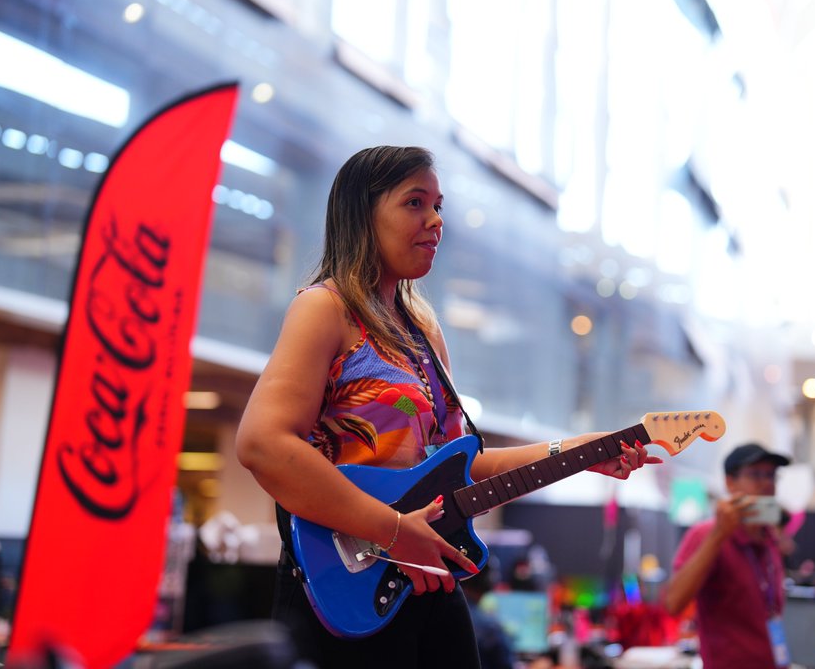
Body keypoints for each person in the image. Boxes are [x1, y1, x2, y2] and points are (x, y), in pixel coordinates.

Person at [235, 145, 660, 668]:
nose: (435, 221)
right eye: (415, 203)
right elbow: (263, 444)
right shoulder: (324, 309)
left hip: (428, 581)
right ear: (362, 213)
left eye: (439, 205)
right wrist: (391, 530)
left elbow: (458, 467)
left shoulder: (423, 332)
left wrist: (578, 452)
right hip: (341, 587)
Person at [662, 442, 792, 669]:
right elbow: (673, 603)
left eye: (771, 476)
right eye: (755, 475)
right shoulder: (706, 533)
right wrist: (718, 535)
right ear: (730, 483)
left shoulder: (769, 537)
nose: (767, 484)